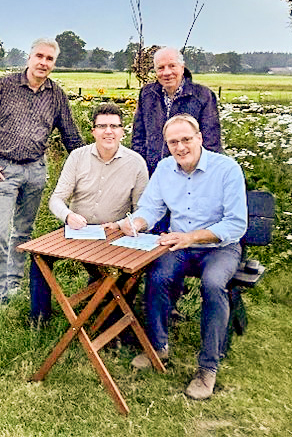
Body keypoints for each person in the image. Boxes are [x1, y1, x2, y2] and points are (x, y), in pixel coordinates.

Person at [117, 114, 247, 400]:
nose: (181, 147)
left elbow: (236, 224)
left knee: (214, 285)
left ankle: (207, 368)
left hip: (219, 247)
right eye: (173, 142)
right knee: (158, 276)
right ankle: (158, 348)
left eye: (186, 139)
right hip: (180, 246)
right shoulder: (164, 169)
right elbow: (151, 209)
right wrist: (135, 224)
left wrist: (191, 236)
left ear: (200, 138)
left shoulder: (226, 169)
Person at [0, 38, 84, 308]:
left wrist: (91, 166)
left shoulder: (56, 95)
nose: (43, 62)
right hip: (2, 171)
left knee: (23, 233)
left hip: (35, 172)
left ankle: (14, 284)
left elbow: (71, 137)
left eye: (49, 59)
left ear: (54, 63)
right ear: (29, 57)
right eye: (39, 56)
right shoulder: (3, 86)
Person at [28, 103, 148, 324]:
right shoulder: (77, 157)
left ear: (123, 131)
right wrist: (67, 217)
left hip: (113, 234)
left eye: (114, 126)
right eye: (102, 126)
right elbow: (56, 199)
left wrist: (123, 224)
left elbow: (144, 211)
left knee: (129, 270)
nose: (108, 131)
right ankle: (39, 318)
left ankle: (115, 323)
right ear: (93, 131)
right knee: (39, 256)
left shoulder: (136, 163)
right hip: (77, 230)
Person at [132, 47, 221, 176]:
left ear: (182, 68)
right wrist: (140, 168)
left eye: (172, 66)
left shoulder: (203, 96)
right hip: (152, 173)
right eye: (161, 68)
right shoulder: (147, 94)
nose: (167, 72)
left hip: (188, 174)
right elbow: (138, 138)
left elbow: (211, 142)